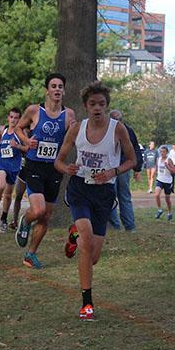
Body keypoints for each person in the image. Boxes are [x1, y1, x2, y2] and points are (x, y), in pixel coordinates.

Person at [54, 83, 136, 321]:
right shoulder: (76, 129)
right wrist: (66, 168)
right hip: (80, 189)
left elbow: (132, 160)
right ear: (85, 106)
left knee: (93, 256)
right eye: (93, 104)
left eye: (101, 104)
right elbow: (58, 161)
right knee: (87, 241)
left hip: (104, 194)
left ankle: (74, 234)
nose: (97, 108)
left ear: (107, 105)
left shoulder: (118, 129)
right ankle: (86, 304)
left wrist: (113, 172)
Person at [14, 73, 76, 269]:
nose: (57, 89)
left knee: (46, 216)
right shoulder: (34, 111)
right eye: (53, 86)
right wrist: (26, 141)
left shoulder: (69, 115)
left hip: (54, 169)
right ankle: (25, 220)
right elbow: (17, 128)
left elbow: (73, 136)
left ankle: (30, 254)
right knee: (38, 210)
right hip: (34, 166)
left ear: (63, 91)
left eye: (60, 86)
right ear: (47, 91)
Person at [0, 108, 27, 233]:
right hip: (1, 162)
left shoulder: (21, 132)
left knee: (8, 195)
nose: (13, 120)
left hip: (13, 166)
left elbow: (27, 148)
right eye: (11, 117)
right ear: (8, 118)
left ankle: (3, 218)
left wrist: (17, 146)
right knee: (1, 185)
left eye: (16, 118)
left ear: (20, 119)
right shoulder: (3, 130)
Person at [109, 110, 143, 232]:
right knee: (115, 196)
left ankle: (125, 225)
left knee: (118, 196)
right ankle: (121, 226)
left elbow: (135, 149)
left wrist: (137, 168)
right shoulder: (126, 130)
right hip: (113, 167)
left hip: (121, 167)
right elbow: (136, 149)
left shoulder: (125, 131)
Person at [154, 146, 175, 221]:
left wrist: (168, 167)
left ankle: (170, 212)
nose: (162, 153)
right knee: (156, 194)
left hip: (167, 181)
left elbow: (174, 171)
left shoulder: (169, 160)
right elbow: (157, 168)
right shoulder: (158, 159)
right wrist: (155, 172)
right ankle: (159, 210)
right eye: (161, 152)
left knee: (167, 199)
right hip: (160, 179)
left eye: (164, 152)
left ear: (167, 152)